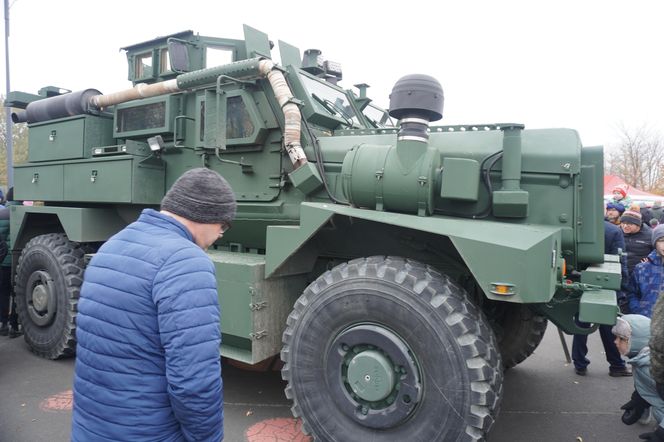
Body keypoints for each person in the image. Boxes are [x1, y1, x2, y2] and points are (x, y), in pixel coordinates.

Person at [71, 168, 236, 441]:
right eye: (224, 224)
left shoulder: (112, 246)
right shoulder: (187, 262)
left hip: (91, 428)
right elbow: (193, 381)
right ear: (206, 215)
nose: (221, 233)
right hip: (149, 432)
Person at [572, 221, 631, 376]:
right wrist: (622, 288)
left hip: (581, 281)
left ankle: (579, 363)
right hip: (606, 281)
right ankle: (616, 365)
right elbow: (620, 261)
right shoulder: (613, 230)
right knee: (608, 325)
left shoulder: (578, 226)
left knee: (581, 323)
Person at [612, 314, 664, 441]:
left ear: (637, 341)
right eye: (616, 337)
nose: (615, 342)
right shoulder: (643, 360)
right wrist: (639, 400)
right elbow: (651, 386)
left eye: (622, 339)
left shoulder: (656, 368)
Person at [626, 224, 664, 318]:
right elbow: (631, 293)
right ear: (655, 243)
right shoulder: (642, 268)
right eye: (661, 240)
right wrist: (638, 310)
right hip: (645, 321)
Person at [621, 209, 654, 275]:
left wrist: (651, 260)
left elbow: (657, 251)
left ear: (638, 224)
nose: (625, 226)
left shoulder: (650, 235)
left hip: (641, 272)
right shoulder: (617, 232)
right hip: (620, 271)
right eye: (623, 223)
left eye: (629, 224)